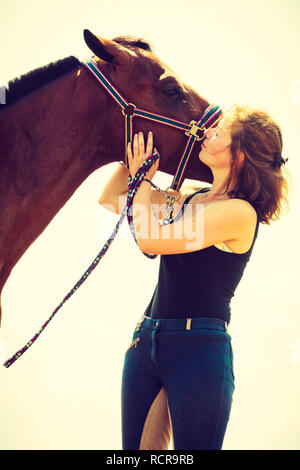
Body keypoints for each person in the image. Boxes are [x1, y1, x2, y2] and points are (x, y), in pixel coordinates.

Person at [98, 104, 290, 450]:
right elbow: (111, 198)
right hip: (146, 342)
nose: (206, 132)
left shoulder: (239, 213)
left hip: (199, 351)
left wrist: (143, 178)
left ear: (240, 155)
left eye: (220, 132)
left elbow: (152, 239)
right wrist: (133, 157)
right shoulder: (189, 199)